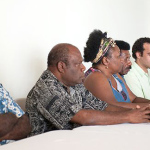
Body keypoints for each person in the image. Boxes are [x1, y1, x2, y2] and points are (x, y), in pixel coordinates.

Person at [26, 43, 150, 137]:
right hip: (47, 144)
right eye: (78, 64)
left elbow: (102, 106)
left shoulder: (74, 83)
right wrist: (128, 116)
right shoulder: (46, 89)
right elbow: (82, 117)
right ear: (61, 66)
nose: (83, 67)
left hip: (73, 139)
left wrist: (142, 111)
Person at [84, 30, 150, 109]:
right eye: (119, 56)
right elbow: (113, 107)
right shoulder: (96, 77)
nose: (121, 60)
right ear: (106, 61)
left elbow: (133, 99)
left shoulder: (115, 75)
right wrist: (147, 107)